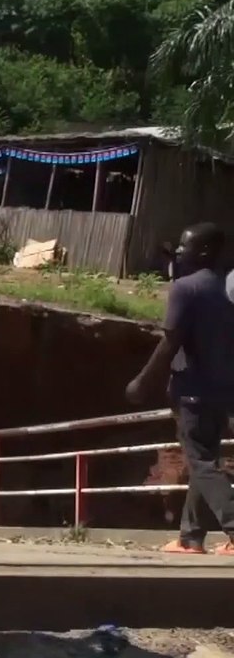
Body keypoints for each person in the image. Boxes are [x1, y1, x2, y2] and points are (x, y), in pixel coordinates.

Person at [126, 223, 234, 556]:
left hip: (193, 390)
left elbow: (171, 342)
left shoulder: (186, 289)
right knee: (206, 460)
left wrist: (142, 381)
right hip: (223, 391)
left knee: (200, 462)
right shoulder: (226, 290)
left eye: (185, 246)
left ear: (204, 251)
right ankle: (190, 537)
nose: (179, 251)